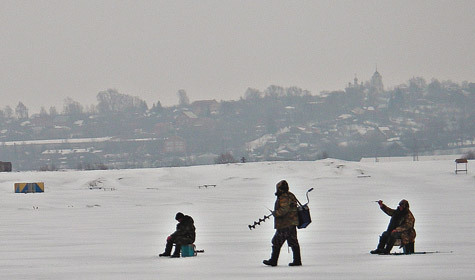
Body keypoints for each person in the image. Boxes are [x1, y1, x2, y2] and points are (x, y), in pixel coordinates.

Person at [263, 180, 302, 266]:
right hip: (292, 223)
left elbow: (284, 210)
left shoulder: (284, 197)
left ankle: (273, 261)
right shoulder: (290, 195)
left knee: (276, 241)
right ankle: (297, 261)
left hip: (285, 224)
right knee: (293, 242)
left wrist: (276, 213)